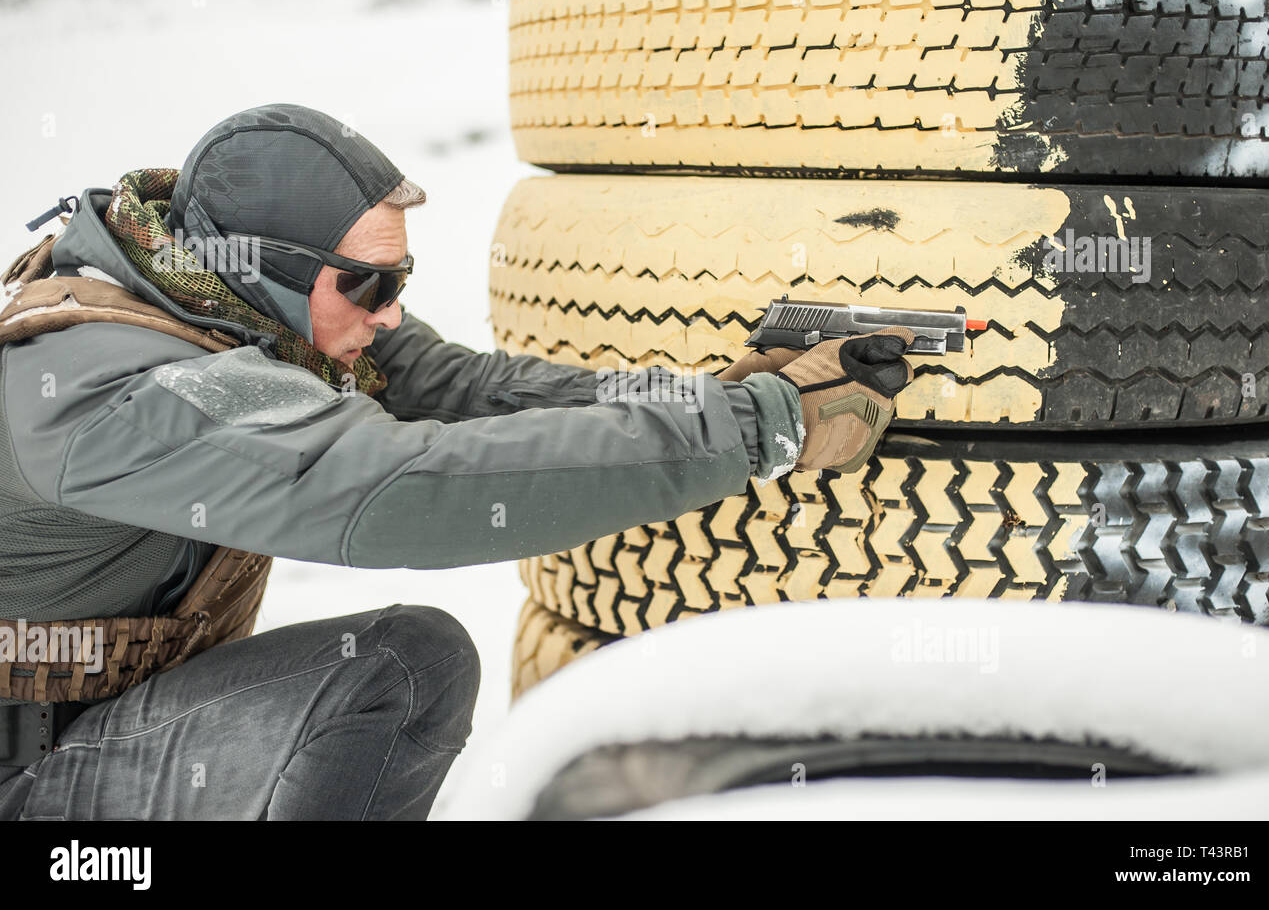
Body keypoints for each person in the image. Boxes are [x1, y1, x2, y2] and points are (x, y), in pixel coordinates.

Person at [0, 103, 912, 820]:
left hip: (105, 723)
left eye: (399, 279)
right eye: (366, 285)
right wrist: (760, 434)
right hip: (27, 778)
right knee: (401, 667)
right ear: (268, 268)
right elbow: (394, 488)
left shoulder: (228, 300)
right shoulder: (107, 385)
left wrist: (718, 398)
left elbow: (467, 389)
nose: (390, 311)